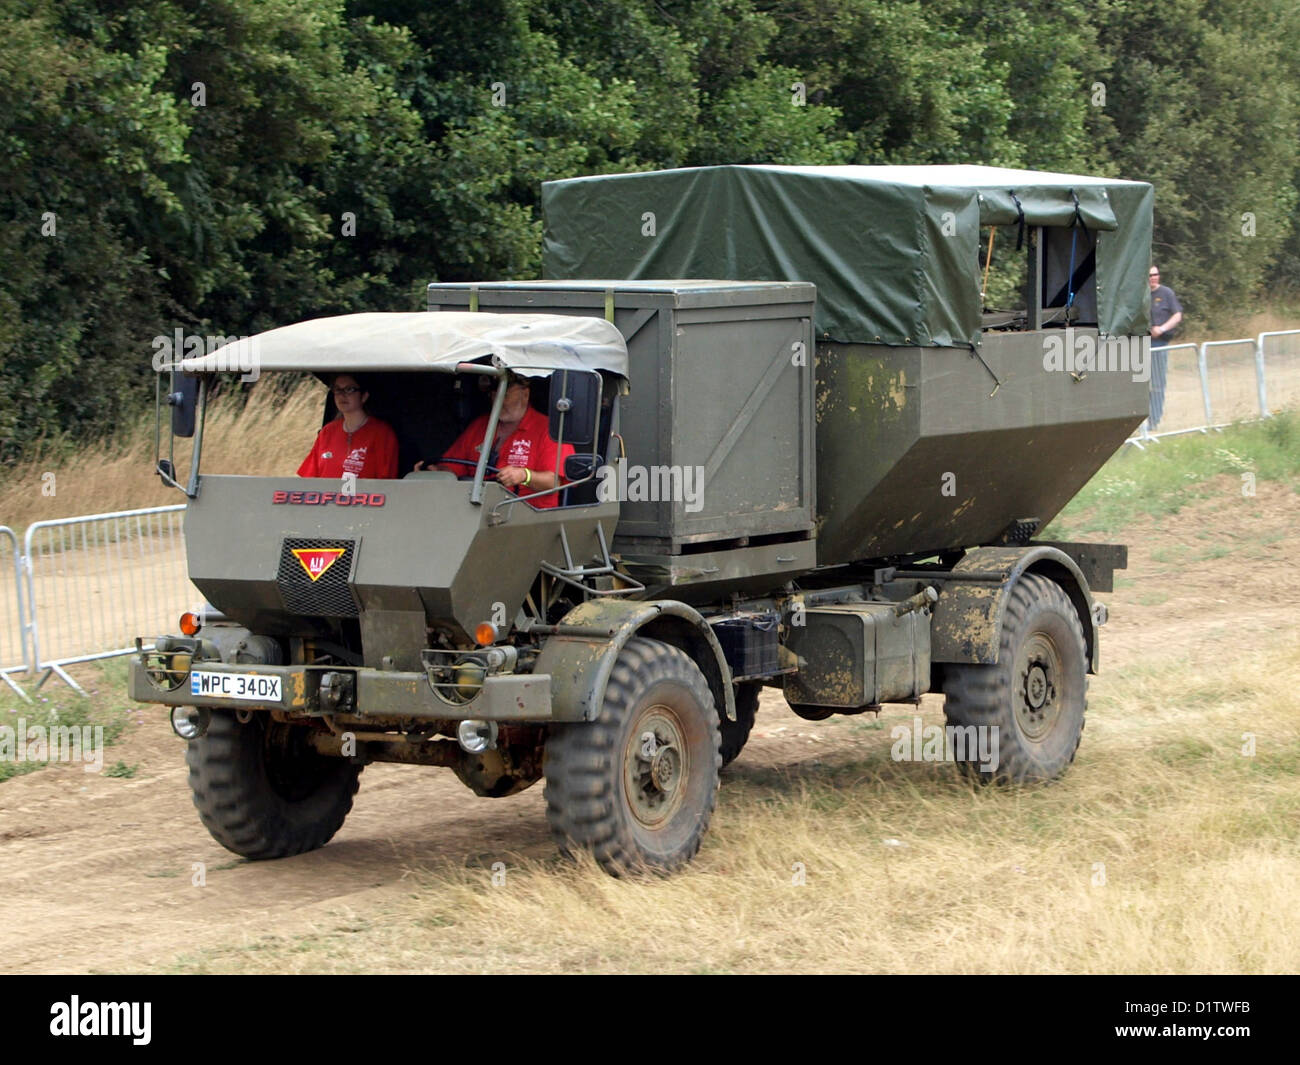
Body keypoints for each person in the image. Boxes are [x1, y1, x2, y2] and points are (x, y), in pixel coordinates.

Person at [418, 372, 574, 508]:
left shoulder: (549, 429)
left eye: (504, 395)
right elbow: (453, 467)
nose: (496, 401)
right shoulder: (480, 426)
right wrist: (436, 472)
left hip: (528, 516)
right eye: (493, 394)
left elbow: (554, 482)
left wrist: (525, 476)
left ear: (525, 394)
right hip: (475, 511)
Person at [298, 373, 399, 479]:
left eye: (349, 389)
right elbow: (309, 479)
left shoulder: (382, 433)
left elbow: (387, 483)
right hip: (327, 495)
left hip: (363, 495)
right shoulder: (327, 431)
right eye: (337, 390)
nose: (342, 395)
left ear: (364, 396)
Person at [1146, 265, 1183, 431]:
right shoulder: (1141, 295)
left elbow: (1177, 315)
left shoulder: (1166, 293)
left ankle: (1154, 420)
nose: (1153, 278)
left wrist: (1162, 328)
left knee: (1157, 383)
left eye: (1155, 275)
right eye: (1150, 275)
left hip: (1159, 343)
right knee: (1141, 382)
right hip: (1142, 343)